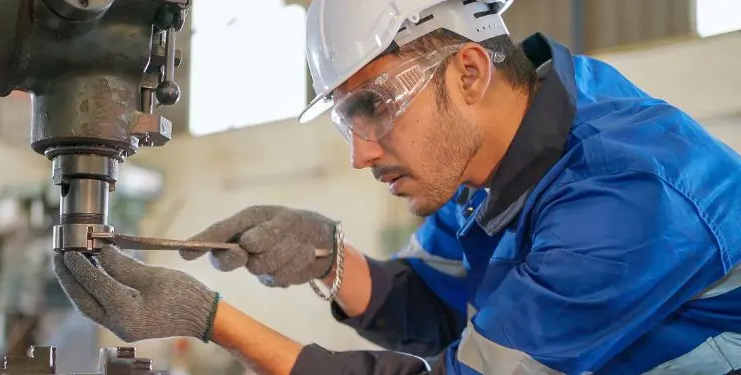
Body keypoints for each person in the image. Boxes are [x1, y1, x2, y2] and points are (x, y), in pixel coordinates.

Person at [53, 0, 741, 373]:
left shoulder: (628, 200)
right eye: (345, 120)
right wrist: (326, 258)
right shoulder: (500, 160)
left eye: (373, 107)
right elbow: (439, 306)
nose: (359, 155)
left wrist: (213, 320)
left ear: (469, 72)